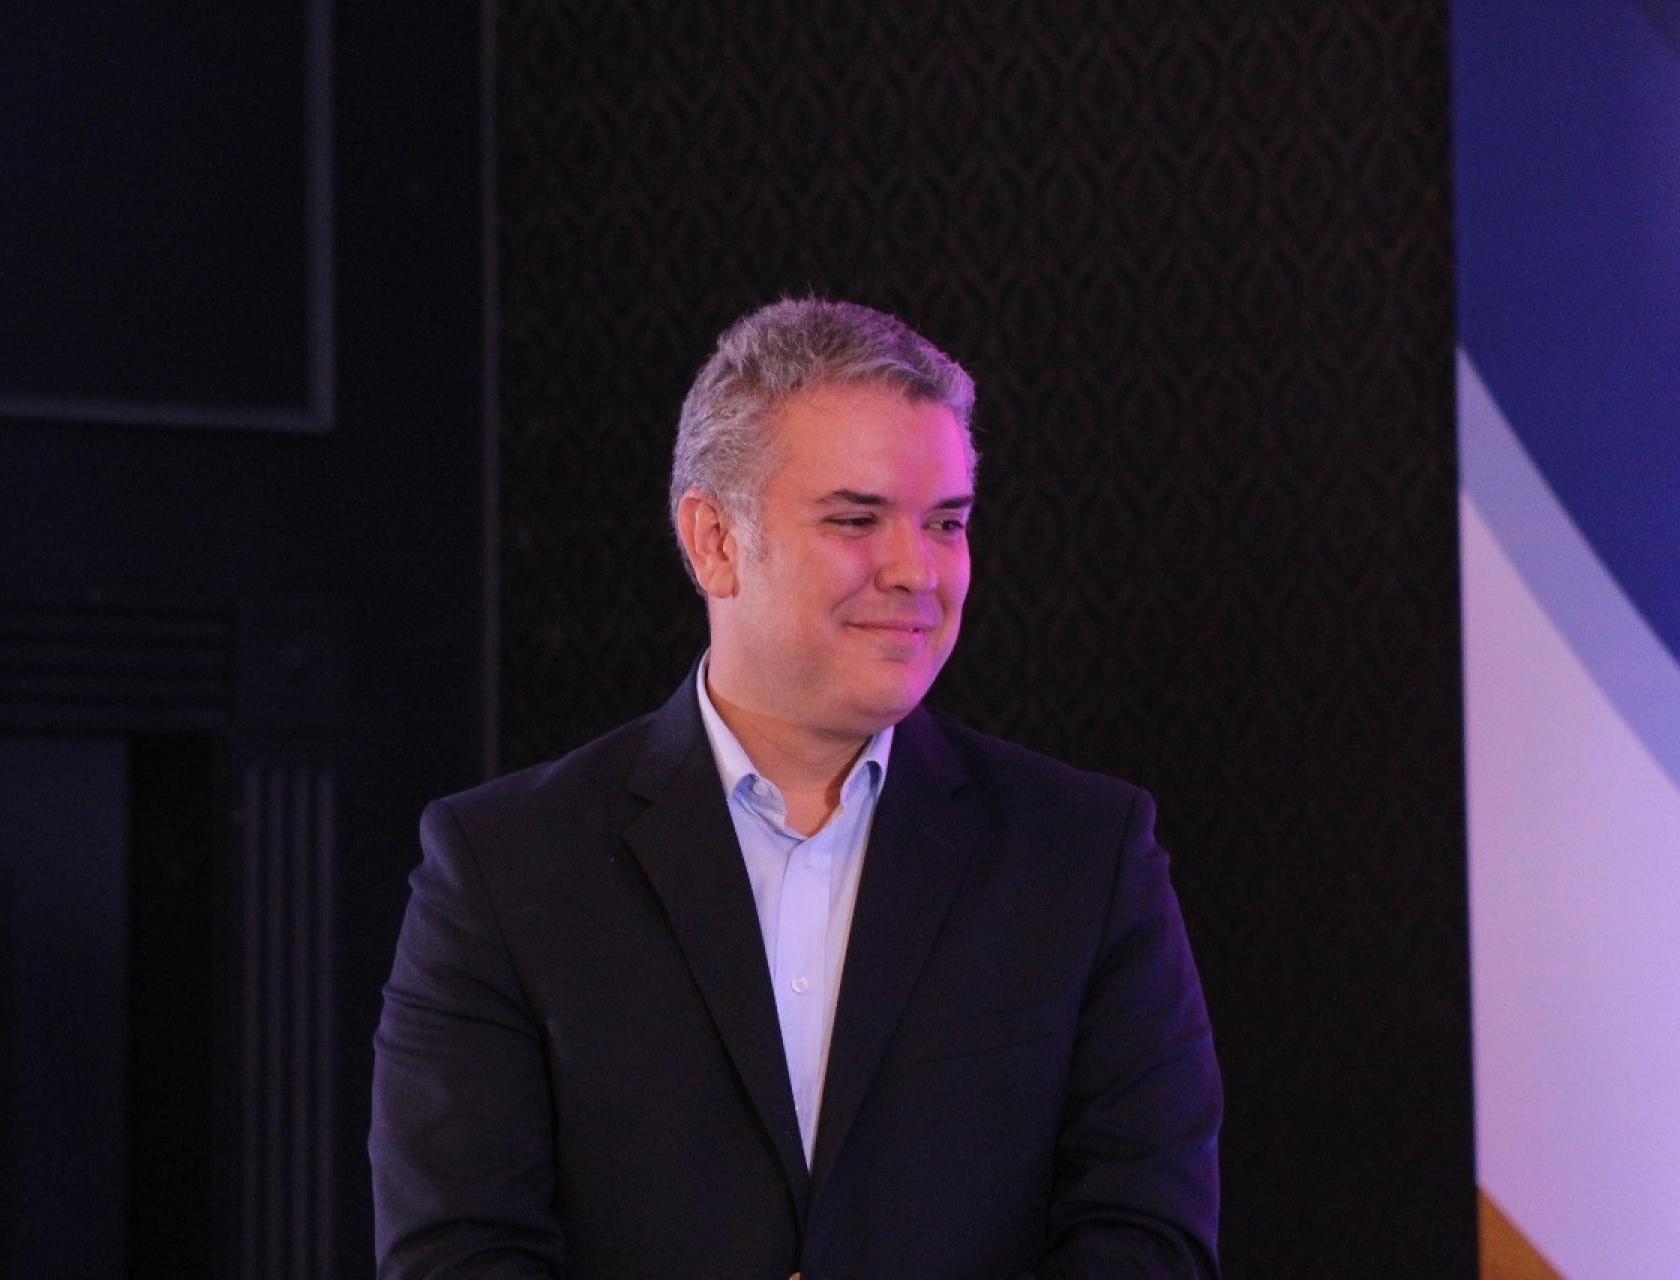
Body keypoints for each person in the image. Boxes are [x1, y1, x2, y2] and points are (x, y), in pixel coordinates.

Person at [371, 298, 1221, 1277]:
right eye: (856, 519)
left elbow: (1147, 1237)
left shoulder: (1085, 853)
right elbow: (460, 1252)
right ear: (714, 541)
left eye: (946, 522)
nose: (918, 571)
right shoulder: (502, 867)